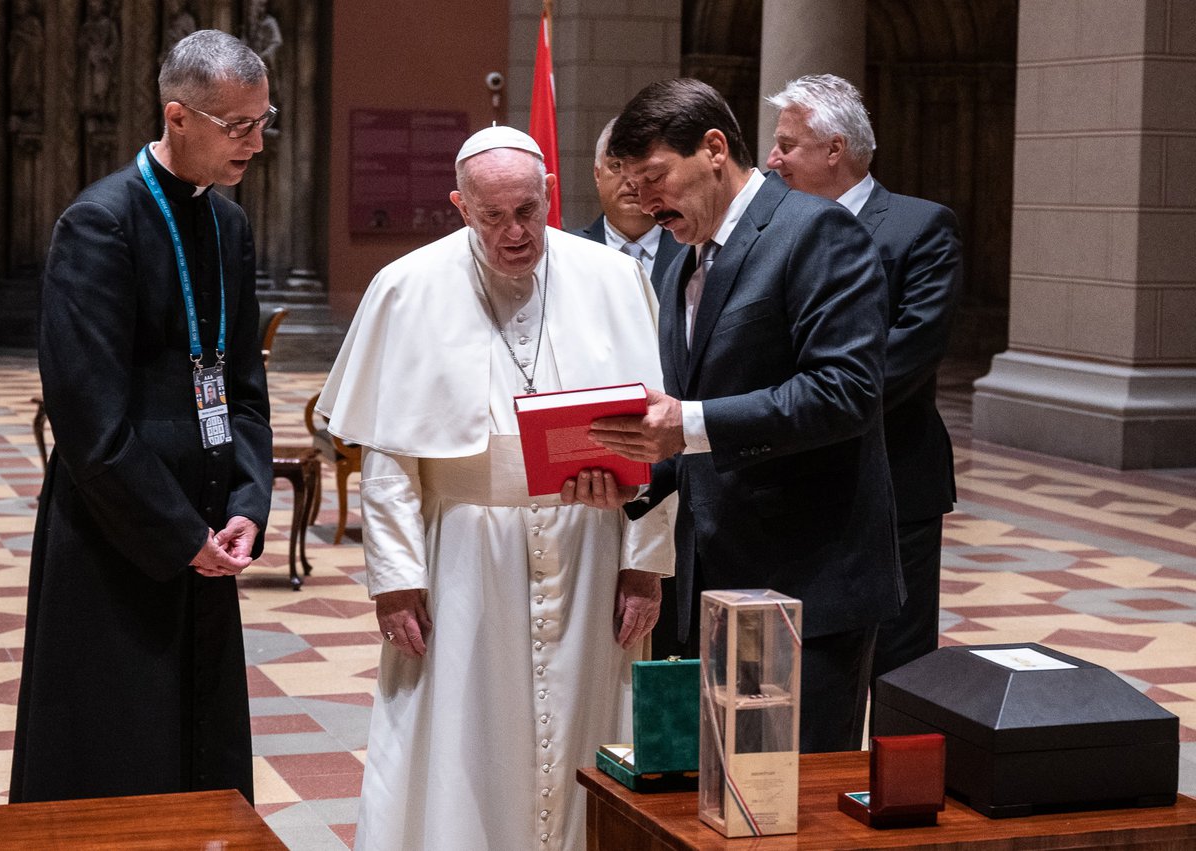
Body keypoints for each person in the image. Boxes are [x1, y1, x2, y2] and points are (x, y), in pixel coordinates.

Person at [316, 125, 676, 851]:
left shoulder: (613, 278)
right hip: (462, 556)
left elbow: (654, 434)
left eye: (530, 211)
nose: (517, 233)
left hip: (586, 548)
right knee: (461, 737)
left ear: (550, 195)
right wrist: (394, 577)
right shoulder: (407, 287)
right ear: (459, 206)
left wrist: (645, 561)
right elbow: (389, 459)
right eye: (494, 217)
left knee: (585, 723)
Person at [581, 78, 903, 754]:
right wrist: (630, 475)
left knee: (794, 806)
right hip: (712, 584)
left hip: (807, 585)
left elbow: (845, 391)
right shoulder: (676, 260)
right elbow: (681, 417)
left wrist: (688, 424)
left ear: (714, 148)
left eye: (653, 176)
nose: (640, 198)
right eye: (629, 181)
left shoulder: (816, 231)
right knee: (719, 801)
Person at [10, 30, 276, 804]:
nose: (256, 143)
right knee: (115, 749)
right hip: (115, 535)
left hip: (206, 529)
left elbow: (245, 387)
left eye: (264, 121)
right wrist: (178, 533)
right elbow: (89, 424)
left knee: (202, 756)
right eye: (239, 126)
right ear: (178, 116)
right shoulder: (100, 224)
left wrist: (246, 505)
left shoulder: (229, 226)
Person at [766, 74, 962, 683]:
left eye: (787, 145)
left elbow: (908, 353)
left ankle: (892, 783)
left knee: (898, 668)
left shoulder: (919, 228)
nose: (771, 161)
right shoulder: (772, 229)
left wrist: (793, 409)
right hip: (788, 483)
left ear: (834, 149)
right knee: (800, 665)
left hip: (892, 477)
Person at [571, 118, 682, 293]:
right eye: (616, 165)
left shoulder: (692, 250)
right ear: (597, 175)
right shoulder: (568, 252)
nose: (632, 181)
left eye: (643, 167)